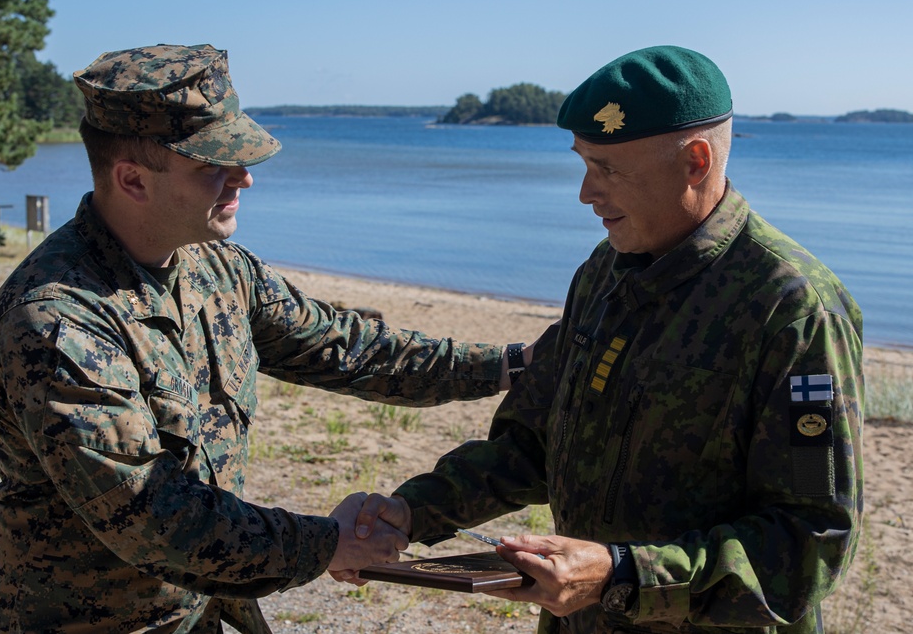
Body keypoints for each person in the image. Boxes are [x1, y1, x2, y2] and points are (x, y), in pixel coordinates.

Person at [0, 43, 532, 633]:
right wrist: (328, 543)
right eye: (214, 165)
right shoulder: (57, 321)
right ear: (132, 179)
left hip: (199, 615)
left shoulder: (216, 266)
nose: (245, 178)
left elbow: (347, 348)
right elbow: (153, 518)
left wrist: (512, 365)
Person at [348, 46, 863, 633]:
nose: (586, 192)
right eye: (584, 163)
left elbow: (811, 542)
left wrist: (621, 574)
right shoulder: (605, 272)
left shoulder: (791, 309)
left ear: (696, 162)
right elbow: (531, 445)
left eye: (610, 169)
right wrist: (411, 512)